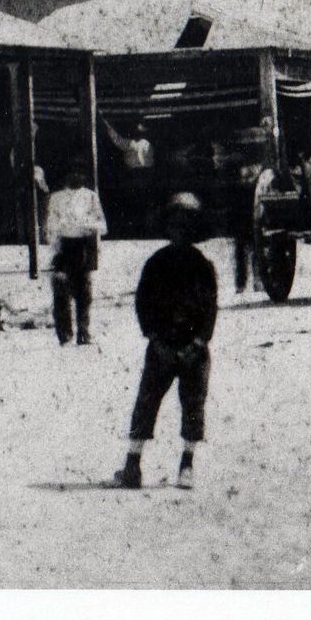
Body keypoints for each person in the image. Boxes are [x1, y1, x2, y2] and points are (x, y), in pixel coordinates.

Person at [112, 194, 219, 491]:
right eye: (175, 224)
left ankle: (187, 465)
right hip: (163, 347)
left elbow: (210, 310)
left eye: (186, 225)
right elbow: (143, 304)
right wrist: (155, 338)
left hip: (192, 350)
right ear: (168, 228)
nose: (180, 230)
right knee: (146, 404)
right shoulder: (156, 263)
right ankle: (133, 465)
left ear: (194, 230)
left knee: (193, 405)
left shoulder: (203, 266)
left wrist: (196, 343)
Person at [44, 166, 106, 347]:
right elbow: (51, 227)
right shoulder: (56, 198)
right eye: (73, 173)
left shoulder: (90, 197)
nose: (77, 177)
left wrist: (85, 224)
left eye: (80, 173)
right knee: (61, 291)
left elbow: (102, 225)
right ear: (66, 176)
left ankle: (84, 333)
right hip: (63, 247)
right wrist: (55, 248)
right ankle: (65, 335)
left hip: (83, 246)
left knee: (84, 293)